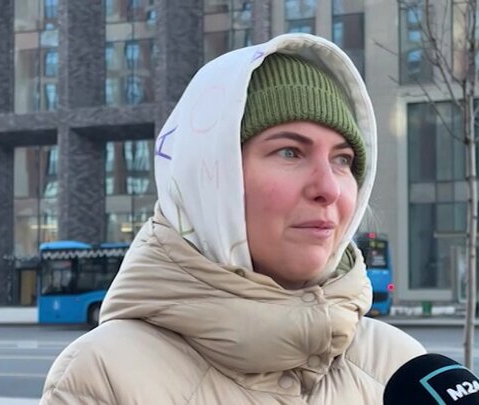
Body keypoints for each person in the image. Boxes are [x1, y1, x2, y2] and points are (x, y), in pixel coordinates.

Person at [40, 33, 425, 404]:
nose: (329, 188)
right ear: (211, 177)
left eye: (342, 159)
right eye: (290, 152)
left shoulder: (399, 366)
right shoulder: (104, 376)